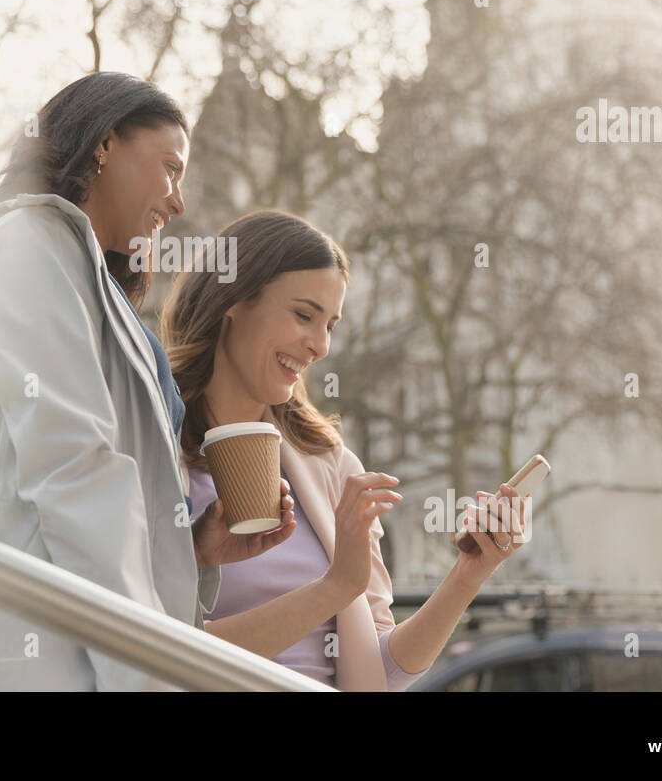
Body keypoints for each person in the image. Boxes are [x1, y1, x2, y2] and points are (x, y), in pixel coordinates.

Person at [0, 72, 290, 691]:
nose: (178, 200)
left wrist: (193, 550)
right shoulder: (23, 244)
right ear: (105, 144)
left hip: (70, 638)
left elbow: (97, 485)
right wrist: (146, 669)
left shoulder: (91, 285)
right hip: (17, 642)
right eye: (170, 167)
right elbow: (73, 467)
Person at [159, 209, 529, 691]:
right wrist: (333, 587)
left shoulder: (330, 466)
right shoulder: (155, 445)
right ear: (234, 299)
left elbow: (382, 675)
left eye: (330, 324)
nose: (321, 346)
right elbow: (159, 652)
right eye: (304, 315)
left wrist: (467, 576)